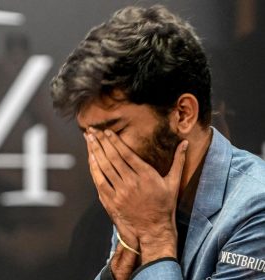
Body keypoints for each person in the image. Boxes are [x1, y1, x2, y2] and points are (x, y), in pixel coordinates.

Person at [50, 5, 265, 280]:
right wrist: (119, 267)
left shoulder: (256, 206)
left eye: (114, 129)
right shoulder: (144, 186)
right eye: (88, 135)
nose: (100, 153)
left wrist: (155, 237)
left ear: (183, 114)